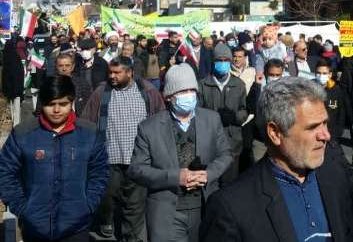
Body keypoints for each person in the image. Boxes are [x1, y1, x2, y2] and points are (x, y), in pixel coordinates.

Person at [200, 77, 353, 242]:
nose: (326, 135)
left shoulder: (334, 174)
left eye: (324, 124)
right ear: (275, 133)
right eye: (312, 127)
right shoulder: (231, 207)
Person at [128, 63, 232, 242]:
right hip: (168, 213)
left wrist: (208, 174)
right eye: (183, 92)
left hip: (205, 207)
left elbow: (226, 154)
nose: (189, 96)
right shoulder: (149, 128)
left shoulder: (212, 119)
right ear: (168, 96)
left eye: (192, 90)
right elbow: (137, 170)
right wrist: (176, 177)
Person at [0, 76, 109, 242]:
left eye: (63, 104)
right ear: (42, 103)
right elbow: (5, 172)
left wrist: (88, 205)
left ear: (71, 102)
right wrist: (22, 208)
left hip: (76, 226)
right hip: (35, 227)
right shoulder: (23, 133)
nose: (57, 110)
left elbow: (99, 173)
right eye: (51, 104)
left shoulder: (89, 133)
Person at [82, 56, 165, 241]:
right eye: (110, 72)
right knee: (108, 198)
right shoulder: (101, 92)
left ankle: (131, 237)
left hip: (139, 160)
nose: (112, 76)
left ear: (130, 73)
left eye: (117, 73)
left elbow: (161, 120)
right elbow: (87, 121)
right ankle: (106, 221)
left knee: (134, 204)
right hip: (109, 158)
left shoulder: (148, 92)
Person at [198, 43, 248, 184]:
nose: (223, 63)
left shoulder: (238, 84)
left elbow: (244, 110)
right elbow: (197, 112)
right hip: (209, 143)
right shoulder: (203, 85)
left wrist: (234, 117)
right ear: (214, 61)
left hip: (232, 142)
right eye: (219, 60)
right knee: (211, 184)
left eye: (226, 60)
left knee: (229, 183)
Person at [247, 58, 285, 163]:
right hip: (260, 139)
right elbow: (251, 107)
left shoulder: (286, 91)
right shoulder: (258, 88)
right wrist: (257, 85)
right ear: (266, 73)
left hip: (279, 139)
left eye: (278, 75)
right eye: (272, 75)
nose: (275, 78)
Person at [314, 59, 346, 142]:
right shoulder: (309, 89)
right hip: (314, 132)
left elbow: (341, 112)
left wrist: (338, 132)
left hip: (331, 133)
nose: (321, 76)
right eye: (318, 73)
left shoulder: (336, 90)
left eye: (324, 73)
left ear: (330, 74)